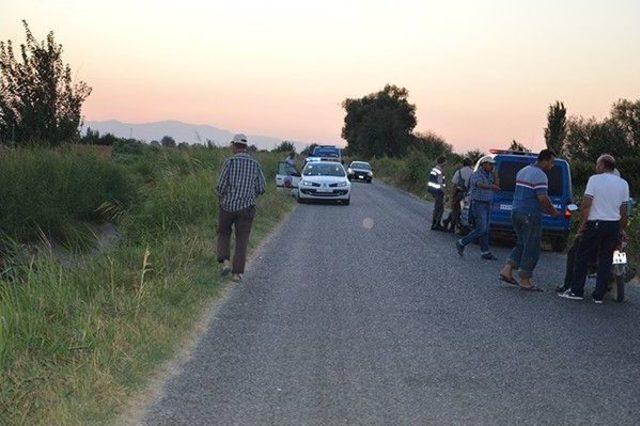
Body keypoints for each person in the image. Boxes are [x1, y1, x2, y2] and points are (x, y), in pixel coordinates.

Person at [559, 154, 629, 303]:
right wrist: (621, 228)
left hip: (595, 224)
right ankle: (598, 295)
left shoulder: (594, 180)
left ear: (603, 165)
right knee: (605, 260)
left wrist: (583, 224)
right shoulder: (623, 184)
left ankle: (576, 291)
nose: (596, 167)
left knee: (581, 256)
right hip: (613, 226)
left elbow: (586, 204)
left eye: (597, 165)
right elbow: (624, 210)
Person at [499, 149, 560, 291]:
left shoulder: (523, 171)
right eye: (551, 162)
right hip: (530, 214)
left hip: (516, 212)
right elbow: (542, 198)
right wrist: (553, 212)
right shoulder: (540, 176)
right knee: (532, 246)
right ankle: (525, 279)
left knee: (522, 243)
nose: (552, 166)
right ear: (544, 160)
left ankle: (507, 270)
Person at [216, 133, 266, 282]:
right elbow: (262, 187)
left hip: (227, 206)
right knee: (242, 239)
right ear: (245, 146)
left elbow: (220, 186)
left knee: (224, 233)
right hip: (247, 208)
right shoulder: (255, 164)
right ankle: (237, 274)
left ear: (234, 145)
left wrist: (223, 197)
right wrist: (250, 196)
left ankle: (225, 262)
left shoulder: (229, 162)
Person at [455, 157, 500, 260]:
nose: (492, 166)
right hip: (478, 203)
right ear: (484, 164)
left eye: (492, 164)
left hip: (488, 203)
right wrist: (492, 187)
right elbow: (480, 185)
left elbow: (497, 186)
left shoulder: (490, 175)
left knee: (486, 229)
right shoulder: (476, 175)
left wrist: (496, 176)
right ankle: (462, 242)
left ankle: (485, 252)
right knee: (481, 228)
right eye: (490, 164)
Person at [443, 158, 473, 232]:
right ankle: (462, 228)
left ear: (463, 164)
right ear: (471, 164)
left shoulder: (459, 172)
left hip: (458, 193)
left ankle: (451, 226)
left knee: (455, 210)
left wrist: (452, 196)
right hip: (468, 195)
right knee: (465, 212)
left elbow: (454, 185)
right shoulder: (473, 173)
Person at [428, 156, 447, 231]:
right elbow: (440, 183)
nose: (446, 163)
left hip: (434, 190)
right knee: (439, 208)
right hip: (438, 191)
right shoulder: (439, 171)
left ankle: (435, 223)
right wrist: (445, 192)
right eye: (445, 161)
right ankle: (436, 224)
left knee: (437, 207)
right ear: (442, 162)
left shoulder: (434, 169)